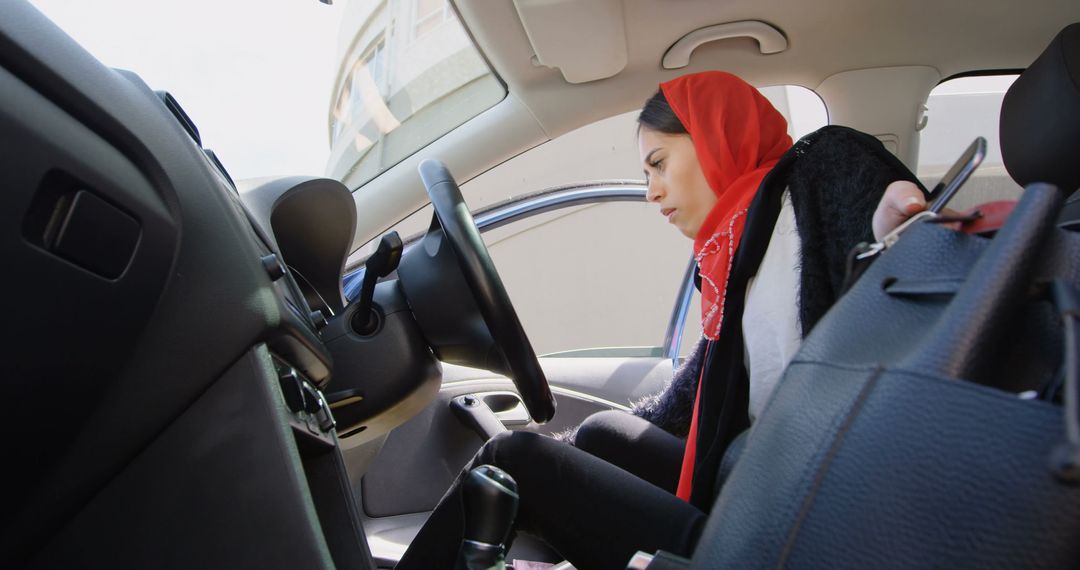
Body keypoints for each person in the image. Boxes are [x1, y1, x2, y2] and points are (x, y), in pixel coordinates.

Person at [396, 71, 924, 569]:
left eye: (659, 163)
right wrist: (578, 473)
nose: (651, 191)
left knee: (511, 461)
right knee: (604, 433)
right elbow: (696, 397)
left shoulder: (820, 174)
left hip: (786, 529)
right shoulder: (735, 252)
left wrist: (894, 230)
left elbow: (890, 260)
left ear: (716, 137)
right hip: (756, 484)